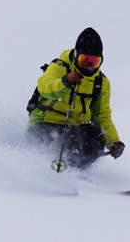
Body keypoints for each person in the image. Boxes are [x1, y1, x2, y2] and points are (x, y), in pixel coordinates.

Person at [27, 27, 125, 169]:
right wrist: (64, 82)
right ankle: (51, 171)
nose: (90, 66)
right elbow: (44, 86)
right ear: (76, 55)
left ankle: (76, 175)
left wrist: (114, 142)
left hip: (74, 127)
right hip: (45, 122)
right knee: (68, 141)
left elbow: (102, 115)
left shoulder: (101, 82)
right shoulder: (59, 66)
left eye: (94, 62)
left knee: (96, 138)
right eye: (85, 60)